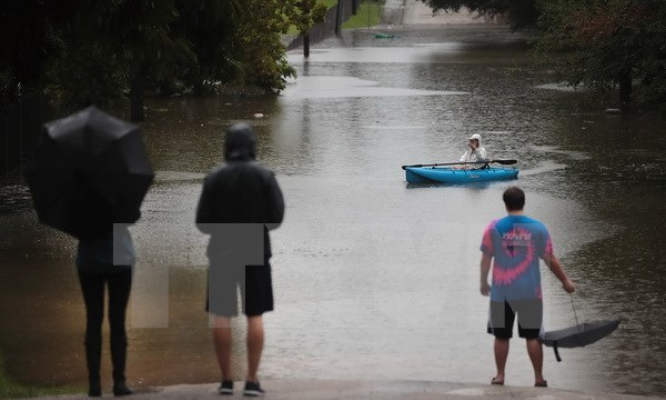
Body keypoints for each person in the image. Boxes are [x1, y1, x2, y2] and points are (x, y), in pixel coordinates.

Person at [196, 123, 285, 397]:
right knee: (254, 315)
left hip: (222, 252)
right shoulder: (265, 175)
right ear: (252, 146)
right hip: (255, 249)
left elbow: (202, 223)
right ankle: (252, 380)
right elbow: (276, 218)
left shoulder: (214, 178)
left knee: (221, 316)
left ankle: (225, 381)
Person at [479, 186, 575, 388]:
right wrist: (565, 281)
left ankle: (500, 376)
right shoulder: (538, 228)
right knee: (532, 336)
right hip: (530, 292)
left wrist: (483, 282)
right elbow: (550, 259)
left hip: (501, 293)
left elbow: (486, 258)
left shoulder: (494, 228)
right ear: (523, 203)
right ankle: (539, 378)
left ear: (505, 204)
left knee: (501, 336)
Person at [78, 223, 135, 397]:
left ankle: (94, 384)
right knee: (118, 319)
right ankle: (119, 382)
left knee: (93, 319)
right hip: (120, 251)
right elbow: (132, 217)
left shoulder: (80, 197)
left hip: (89, 254)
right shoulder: (121, 195)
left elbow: (74, 224)